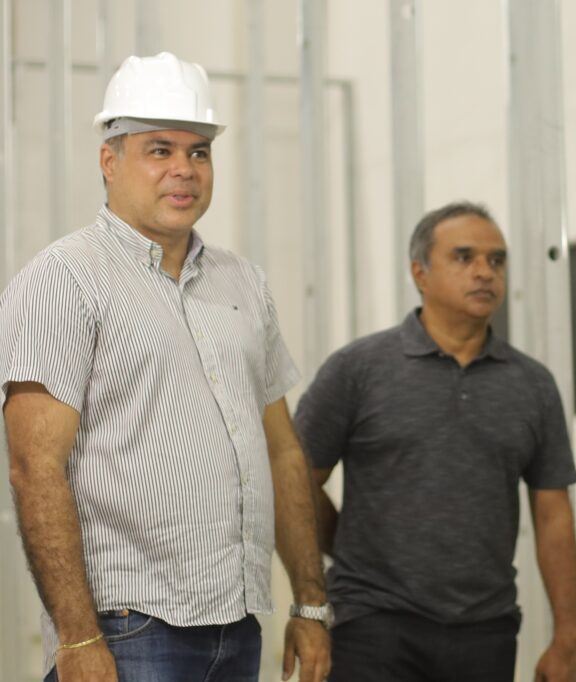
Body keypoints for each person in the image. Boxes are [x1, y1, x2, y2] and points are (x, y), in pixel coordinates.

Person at [0, 52, 331, 682]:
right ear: (109, 161)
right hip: (127, 628)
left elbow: (281, 449)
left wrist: (310, 601)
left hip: (238, 624)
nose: (184, 168)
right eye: (159, 150)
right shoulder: (64, 280)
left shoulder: (243, 282)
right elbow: (33, 468)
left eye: (199, 151)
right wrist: (77, 638)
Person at [293, 201, 576, 682]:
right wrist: (340, 546)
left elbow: (553, 514)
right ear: (419, 273)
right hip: (373, 624)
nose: (484, 272)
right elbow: (295, 482)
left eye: (496, 260)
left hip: (486, 630)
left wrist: (567, 636)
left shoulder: (532, 384)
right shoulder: (358, 369)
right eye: (464, 257)